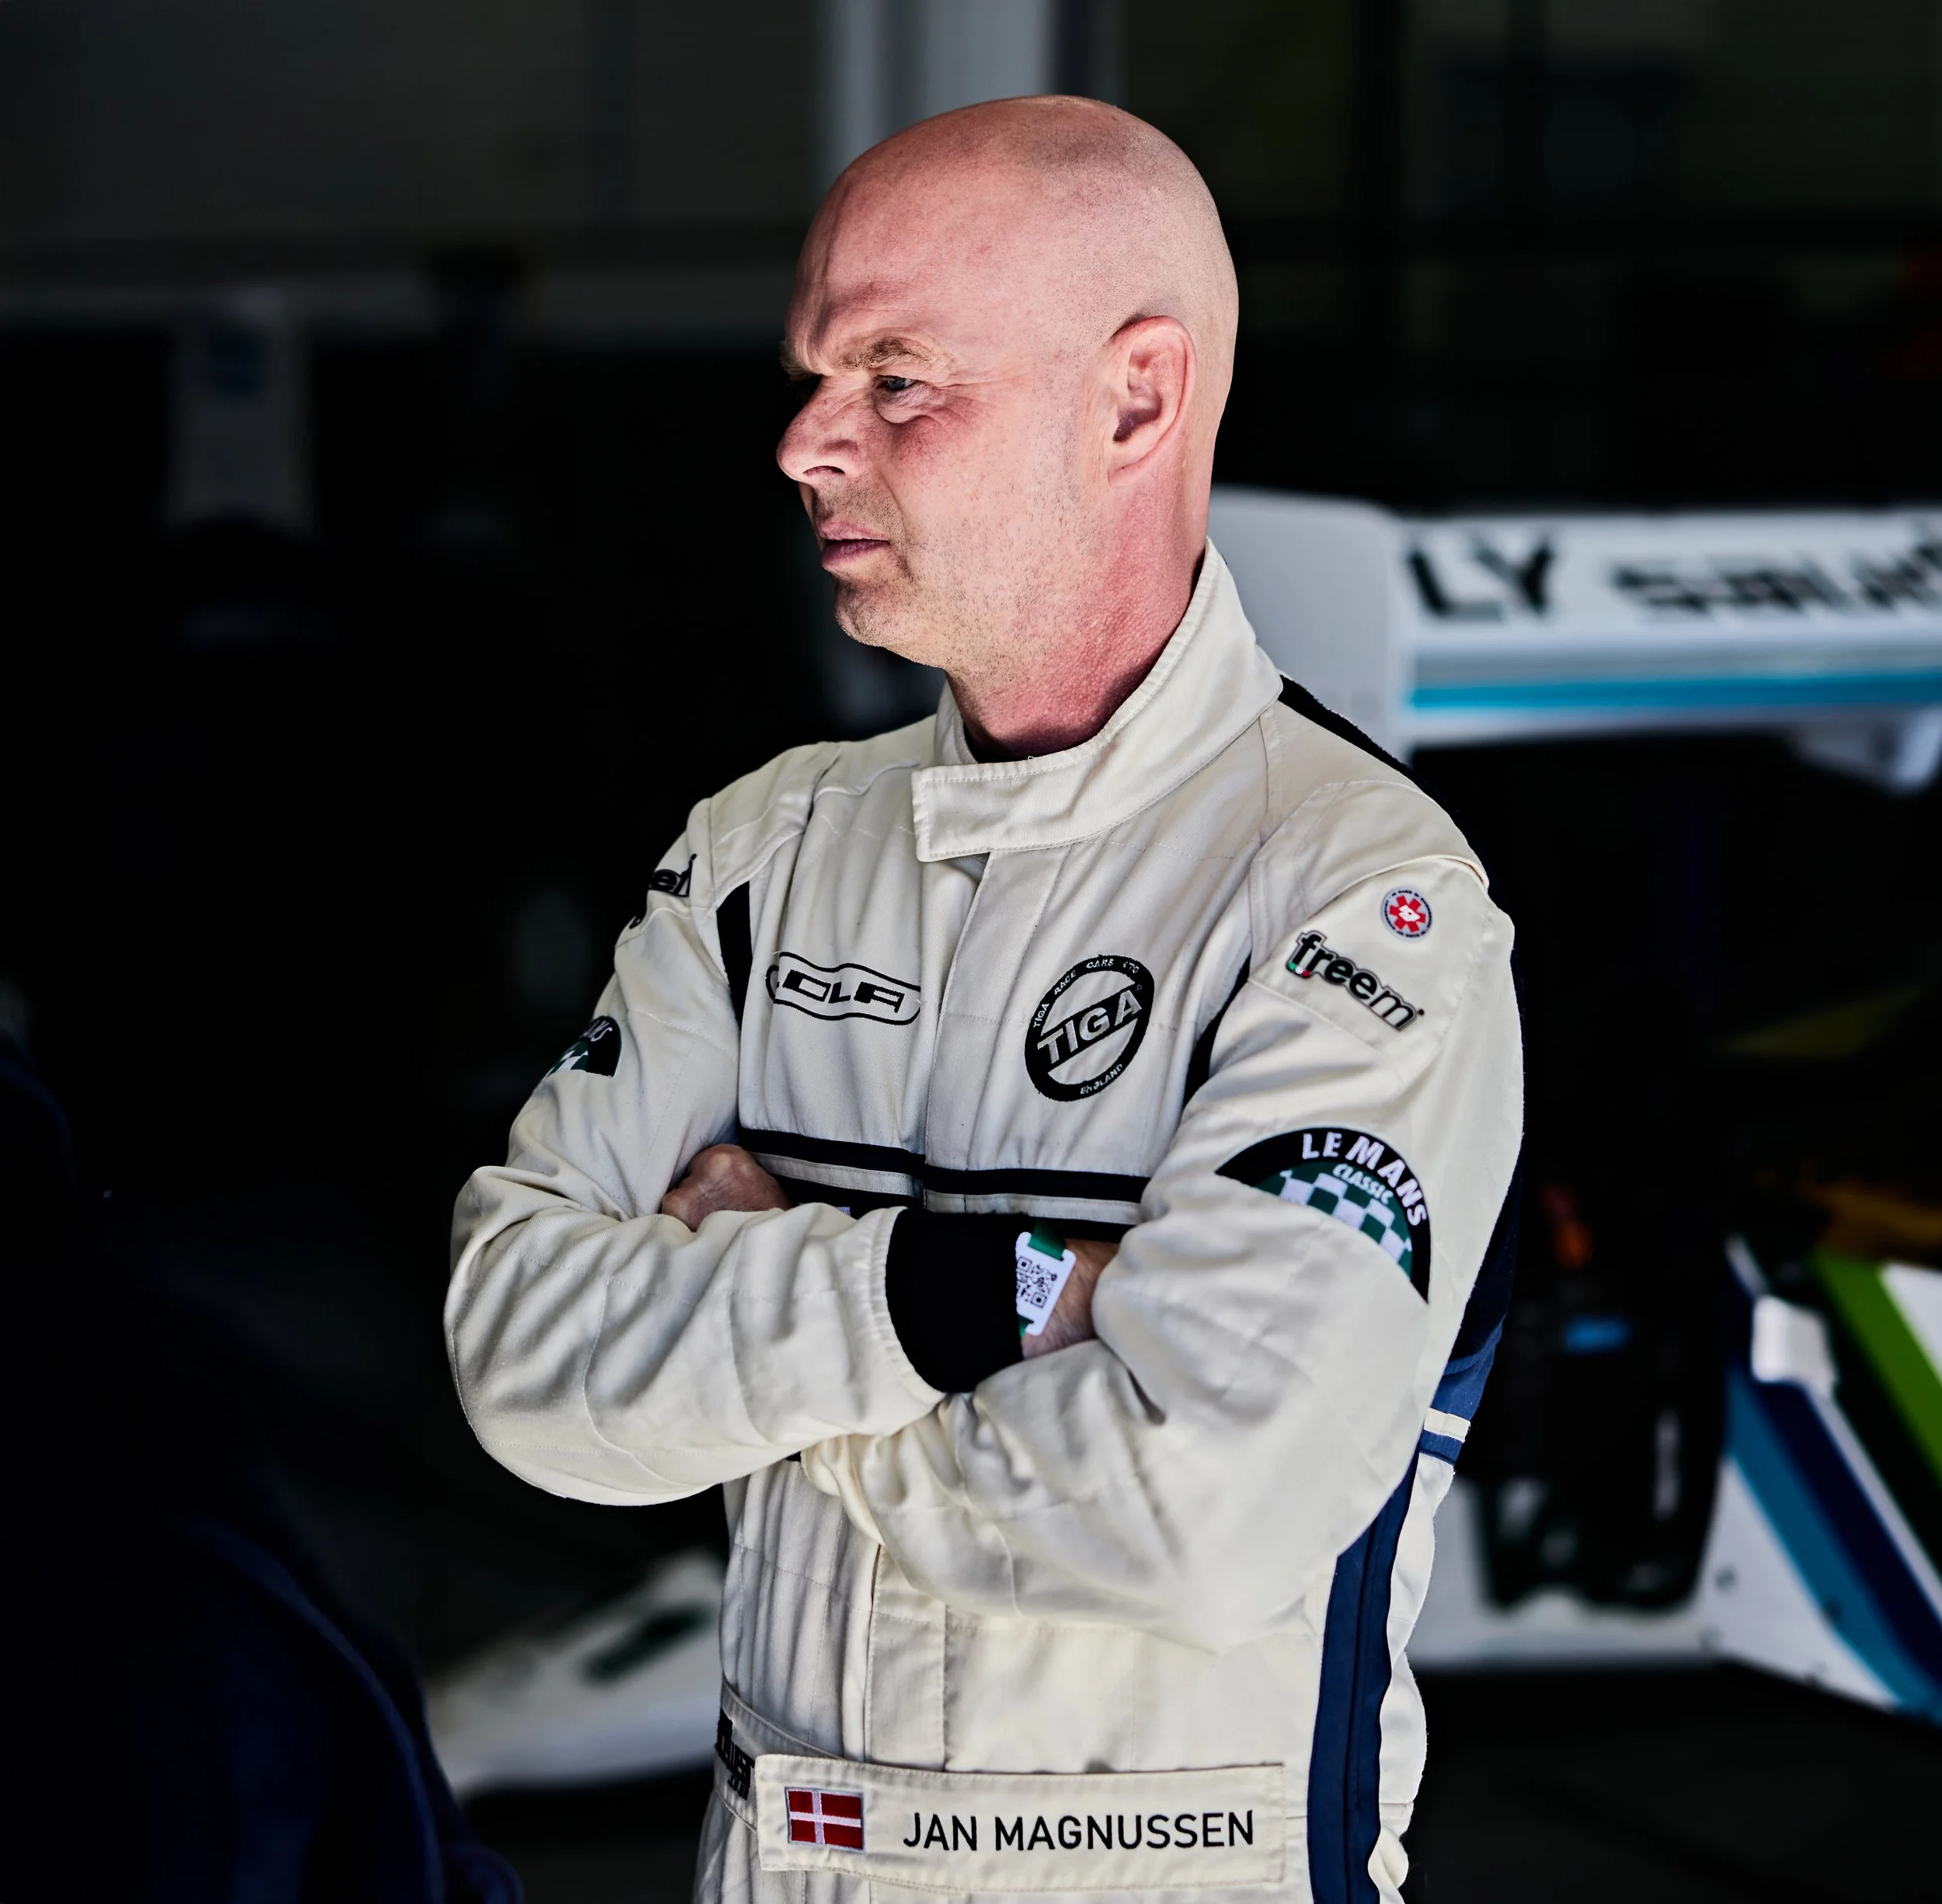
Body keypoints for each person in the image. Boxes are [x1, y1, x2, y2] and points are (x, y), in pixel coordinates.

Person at [447, 96, 1522, 1904]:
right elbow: (521, 1360)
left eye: (892, 377)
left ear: (1132, 400)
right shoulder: (759, 851)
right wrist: (974, 1291)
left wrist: (756, 1326)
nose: (804, 442)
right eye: (809, 375)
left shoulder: (1358, 897)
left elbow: (1200, 1513)